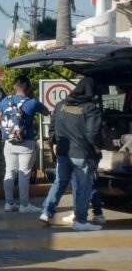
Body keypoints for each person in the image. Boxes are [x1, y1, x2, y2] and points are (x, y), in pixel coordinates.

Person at [39, 77, 104, 231]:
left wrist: (54, 143)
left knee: (59, 183)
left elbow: (53, 127)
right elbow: (93, 132)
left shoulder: (61, 105)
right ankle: (80, 221)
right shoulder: (90, 108)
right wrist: (98, 146)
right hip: (82, 153)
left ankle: (46, 212)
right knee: (84, 187)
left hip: (63, 152)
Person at [0, 76, 49, 214]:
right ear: (28, 87)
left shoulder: (5, 100)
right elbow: (46, 112)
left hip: (9, 142)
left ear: (14, 86)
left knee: (10, 171)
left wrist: (8, 130)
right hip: (26, 141)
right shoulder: (32, 102)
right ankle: (24, 205)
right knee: (24, 173)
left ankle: (9, 203)